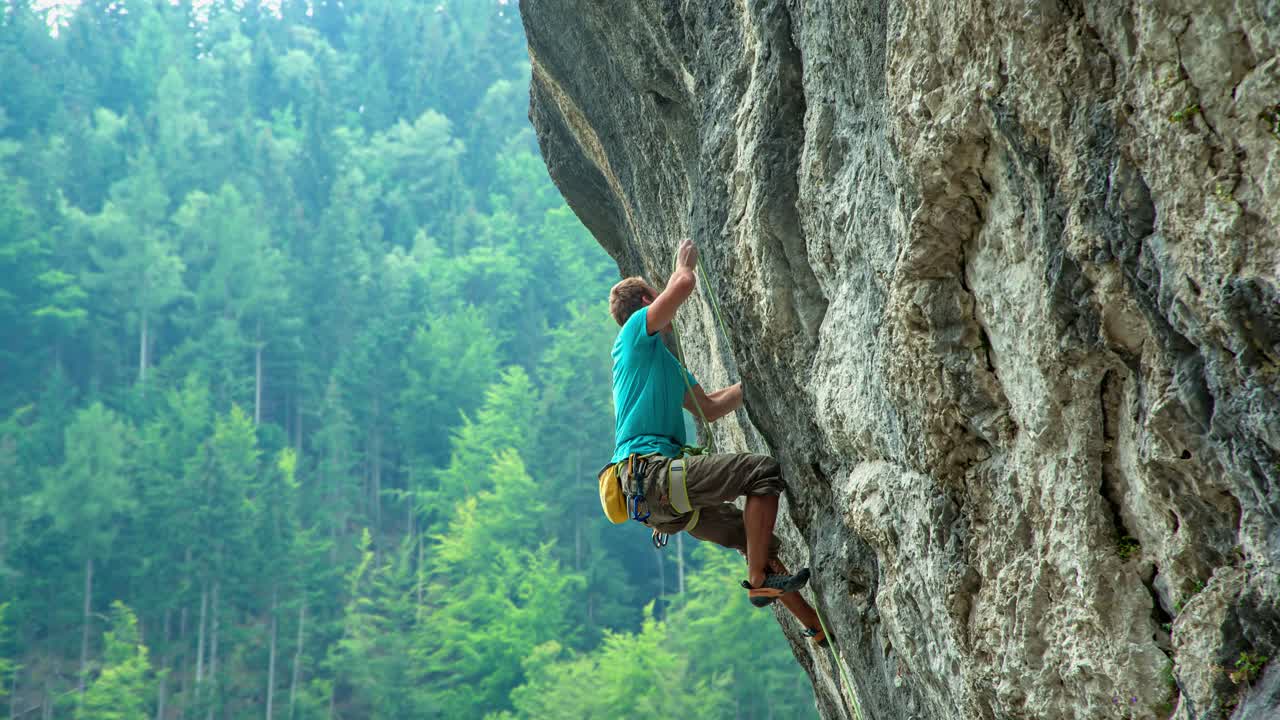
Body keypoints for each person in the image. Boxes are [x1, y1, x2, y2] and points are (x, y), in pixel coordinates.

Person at [603, 238, 827, 645]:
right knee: (761, 472)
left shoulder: (661, 363)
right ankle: (760, 579)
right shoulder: (634, 334)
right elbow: (684, 286)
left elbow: (707, 408)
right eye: (655, 296)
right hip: (653, 474)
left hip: (653, 500)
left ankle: (814, 626)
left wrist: (754, 382)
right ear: (645, 299)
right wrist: (681, 265)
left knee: (749, 536)